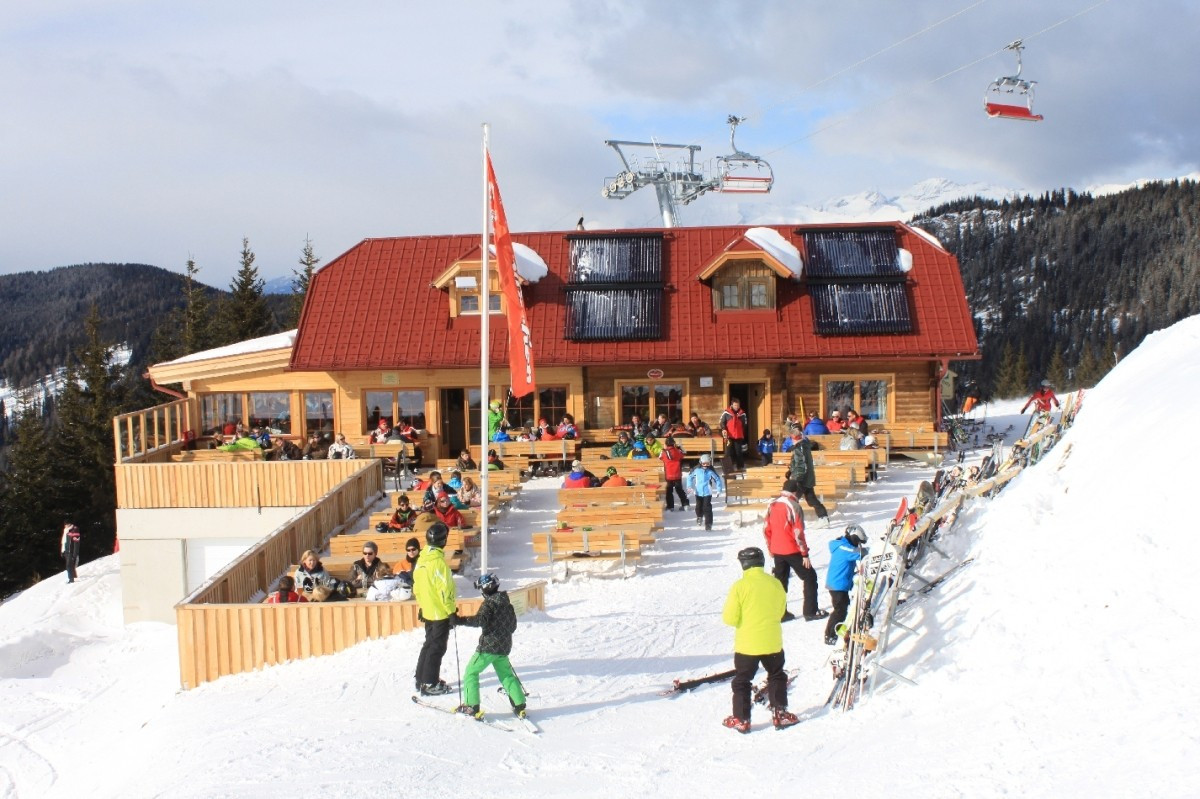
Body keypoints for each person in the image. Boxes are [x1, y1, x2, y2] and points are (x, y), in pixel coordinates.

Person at [721, 546, 798, 732]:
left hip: (747, 645)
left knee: (742, 681)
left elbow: (729, 618)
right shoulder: (775, 583)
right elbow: (781, 612)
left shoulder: (739, 586)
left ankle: (741, 719)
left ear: (744, 564)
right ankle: (780, 713)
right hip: (772, 642)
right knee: (777, 675)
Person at [455, 573, 528, 721]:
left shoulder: (489, 604)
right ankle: (519, 704)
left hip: (488, 647)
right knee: (506, 675)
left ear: (485, 589)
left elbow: (479, 621)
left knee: (471, 672)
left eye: (481, 588)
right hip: (504, 647)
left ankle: (471, 705)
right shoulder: (507, 604)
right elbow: (512, 626)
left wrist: (459, 620)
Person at [764, 480, 825, 623]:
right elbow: (798, 533)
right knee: (809, 577)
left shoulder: (772, 504)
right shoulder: (794, 506)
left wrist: (770, 548)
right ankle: (810, 611)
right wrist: (805, 554)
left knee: (780, 582)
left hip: (777, 549)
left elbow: (766, 529)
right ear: (795, 492)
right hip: (791, 549)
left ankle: (780, 613)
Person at [413, 522, 457, 695]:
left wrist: (422, 605)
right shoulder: (438, 562)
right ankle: (430, 683)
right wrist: (451, 611)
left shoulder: (421, 560)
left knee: (429, 643)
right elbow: (446, 590)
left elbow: (417, 586)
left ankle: (421, 678)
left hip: (428, 609)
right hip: (439, 611)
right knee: (437, 647)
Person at [825, 525, 868, 645]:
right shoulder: (844, 548)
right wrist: (875, 551)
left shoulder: (842, 545)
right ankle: (830, 635)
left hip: (840, 583)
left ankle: (837, 631)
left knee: (843, 608)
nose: (859, 545)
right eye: (858, 542)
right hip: (837, 584)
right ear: (854, 538)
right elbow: (858, 553)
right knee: (839, 610)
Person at [786, 430, 831, 527]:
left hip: (802, 479)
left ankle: (790, 521)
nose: (791, 440)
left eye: (791, 438)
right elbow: (800, 463)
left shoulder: (799, 448)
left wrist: (796, 479)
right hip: (807, 478)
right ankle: (823, 518)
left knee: (791, 500)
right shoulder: (804, 446)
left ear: (794, 438)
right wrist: (791, 470)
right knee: (811, 499)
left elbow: (801, 465)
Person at [687, 453, 725, 531]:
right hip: (698, 492)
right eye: (704, 463)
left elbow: (717, 479)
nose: (705, 465)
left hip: (707, 492)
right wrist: (689, 486)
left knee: (707, 508)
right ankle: (699, 516)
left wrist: (719, 489)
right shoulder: (696, 470)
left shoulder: (710, 471)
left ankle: (708, 524)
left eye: (707, 464)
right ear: (700, 462)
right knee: (698, 507)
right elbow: (690, 477)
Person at [659, 436, 690, 512]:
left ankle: (670, 506)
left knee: (669, 491)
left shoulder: (664, 452)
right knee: (679, 490)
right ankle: (685, 504)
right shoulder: (678, 451)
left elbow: (660, 457)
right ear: (673, 444)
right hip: (677, 474)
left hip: (669, 475)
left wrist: (664, 448)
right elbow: (684, 453)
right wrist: (679, 447)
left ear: (666, 444)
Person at [719, 399, 749, 472]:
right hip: (729, 436)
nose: (736, 407)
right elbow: (721, 422)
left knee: (739, 452)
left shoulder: (743, 414)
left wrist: (741, 433)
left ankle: (740, 467)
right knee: (728, 452)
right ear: (732, 405)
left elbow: (745, 424)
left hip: (738, 436)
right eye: (735, 405)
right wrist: (723, 429)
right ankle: (728, 468)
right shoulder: (726, 413)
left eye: (738, 405)